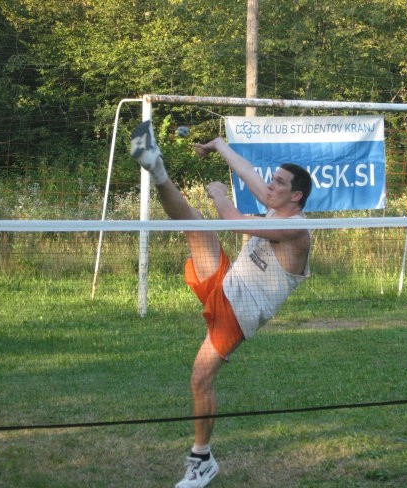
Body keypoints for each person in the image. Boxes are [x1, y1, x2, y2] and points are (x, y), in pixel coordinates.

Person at [130, 120, 313, 488]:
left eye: (278, 183)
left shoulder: (296, 229)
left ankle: (202, 459)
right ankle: (156, 167)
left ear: (296, 197)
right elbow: (247, 171)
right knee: (193, 226)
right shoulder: (279, 207)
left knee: (200, 379)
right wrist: (218, 145)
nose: (270, 185)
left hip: (240, 312)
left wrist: (218, 194)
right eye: (272, 180)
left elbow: (234, 222)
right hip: (228, 283)